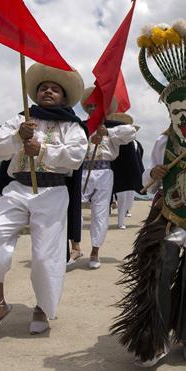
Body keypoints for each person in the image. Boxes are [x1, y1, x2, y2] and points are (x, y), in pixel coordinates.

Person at [111, 20, 186, 366]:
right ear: (170, 112)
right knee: (160, 271)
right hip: (166, 215)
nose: (183, 117)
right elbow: (147, 179)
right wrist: (156, 172)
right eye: (177, 111)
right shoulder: (164, 141)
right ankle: (155, 335)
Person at [0, 63, 87, 336]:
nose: (48, 91)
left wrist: (44, 150)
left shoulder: (72, 126)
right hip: (18, 187)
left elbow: (76, 155)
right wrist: (17, 138)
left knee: (45, 255)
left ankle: (41, 308)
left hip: (52, 192)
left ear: (64, 97)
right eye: (43, 88)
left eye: (55, 89)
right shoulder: (21, 119)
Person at [74, 88, 137, 269]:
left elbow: (131, 132)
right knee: (73, 207)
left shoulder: (113, 127)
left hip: (104, 173)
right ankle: (75, 246)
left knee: (100, 212)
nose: (94, 108)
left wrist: (107, 133)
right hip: (83, 172)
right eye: (91, 105)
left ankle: (95, 251)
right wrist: (88, 142)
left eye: (98, 105)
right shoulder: (80, 127)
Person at [108, 113, 145, 229]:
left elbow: (139, 158)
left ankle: (123, 216)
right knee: (118, 197)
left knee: (128, 199)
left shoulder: (136, 143)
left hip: (130, 173)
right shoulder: (111, 140)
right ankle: (119, 221)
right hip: (115, 172)